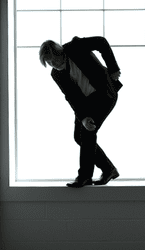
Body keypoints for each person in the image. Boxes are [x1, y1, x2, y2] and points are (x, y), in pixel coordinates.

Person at [39, 37, 123, 187]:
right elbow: (71, 97)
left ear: (59, 53)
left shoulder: (75, 47)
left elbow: (101, 42)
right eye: (49, 63)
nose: (53, 65)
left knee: (87, 133)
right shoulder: (56, 74)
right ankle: (109, 169)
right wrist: (83, 117)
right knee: (78, 137)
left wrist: (113, 67)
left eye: (54, 60)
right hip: (86, 102)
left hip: (105, 94)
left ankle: (84, 177)